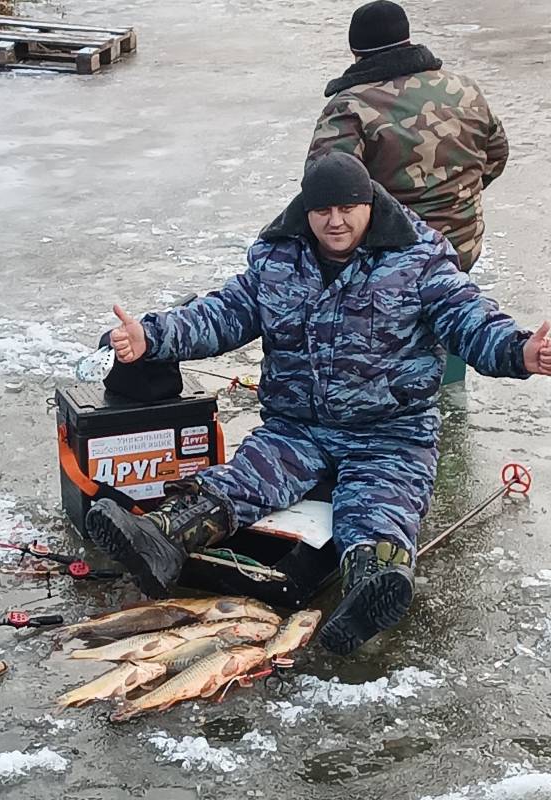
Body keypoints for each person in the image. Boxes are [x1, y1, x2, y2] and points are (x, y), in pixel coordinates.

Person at [85, 153, 551, 656]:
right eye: (324, 209)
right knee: (242, 480)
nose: (337, 221)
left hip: (390, 433)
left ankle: (369, 592)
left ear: (369, 204)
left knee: (377, 513)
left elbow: (471, 321)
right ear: (305, 210)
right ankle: (160, 537)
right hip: (297, 427)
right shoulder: (278, 259)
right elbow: (223, 313)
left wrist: (521, 350)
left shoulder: (419, 260)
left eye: (349, 207)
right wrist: (151, 337)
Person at [307, 0, 509, 272]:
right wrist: (454, 194)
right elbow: (497, 155)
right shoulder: (465, 90)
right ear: (407, 40)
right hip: (463, 246)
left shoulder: (350, 106)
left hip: (395, 258)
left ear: (355, 51)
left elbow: (324, 184)